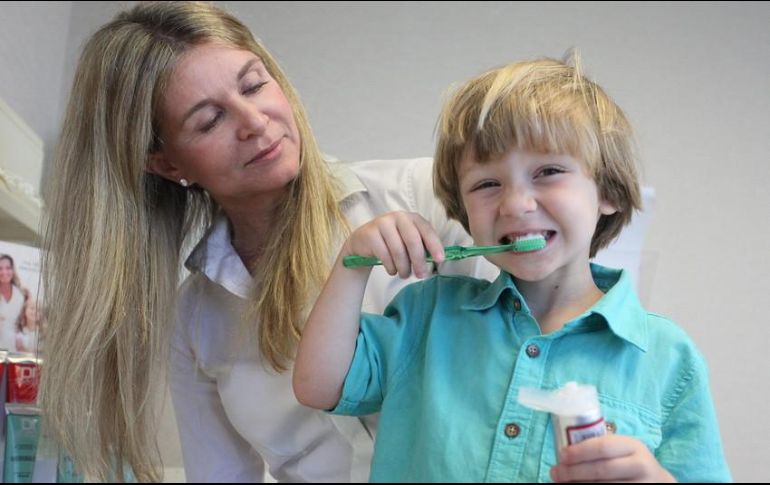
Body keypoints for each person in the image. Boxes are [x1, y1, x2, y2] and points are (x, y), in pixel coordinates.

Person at [39, 1, 495, 482]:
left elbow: (539, 344)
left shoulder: (426, 196)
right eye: (209, 120)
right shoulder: (194, 323)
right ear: (167, 165)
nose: (254, 121)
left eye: (254, 84)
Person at [294, 54, 732, 482]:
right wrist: (353, 262)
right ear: (463, 212)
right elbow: (318, 386)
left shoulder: (669, 359)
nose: (517, 204)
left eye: (548, 171)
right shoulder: (425, 315)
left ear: (608, 192)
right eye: (487, 183)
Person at [0, 254, 26, 350]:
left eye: (8, 268)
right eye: (0, 268)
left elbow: (21, 323)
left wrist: (19, 337)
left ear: (13, 270)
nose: (4, 272)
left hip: (12, 347)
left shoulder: (19, 295)